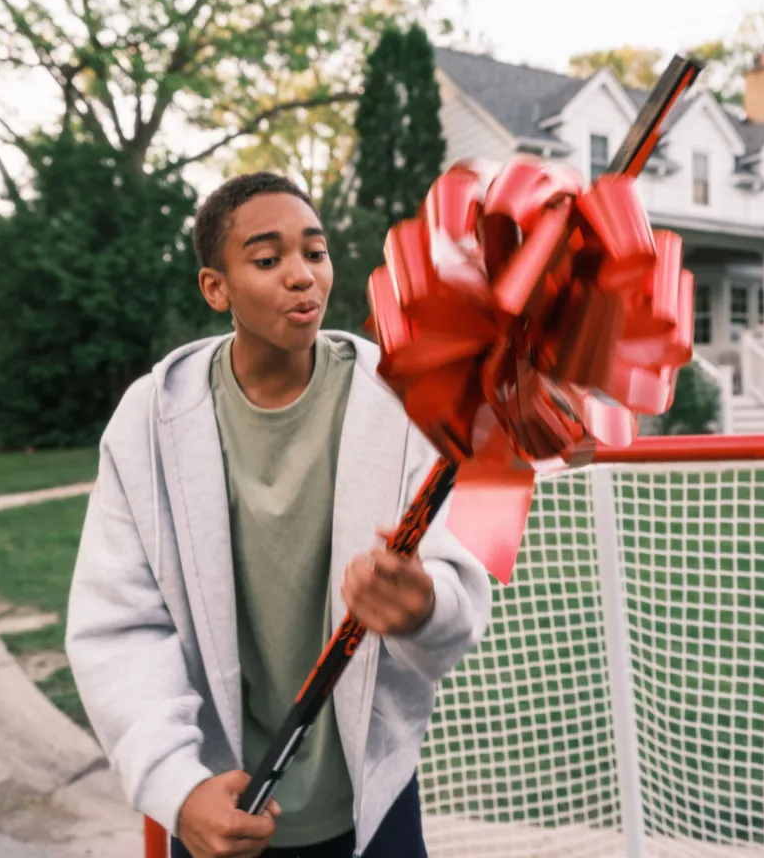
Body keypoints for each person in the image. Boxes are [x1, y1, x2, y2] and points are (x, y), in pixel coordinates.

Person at [65, 173, 493, 858]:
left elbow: (453, 588)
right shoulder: (148, 422)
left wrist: (422, 605)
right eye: (268, 260)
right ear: (216, 287)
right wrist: (177, 788)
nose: (301, 276)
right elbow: (119, 628)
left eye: (315, 253)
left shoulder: (403, 402)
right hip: (219, 808)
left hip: (369, 804)